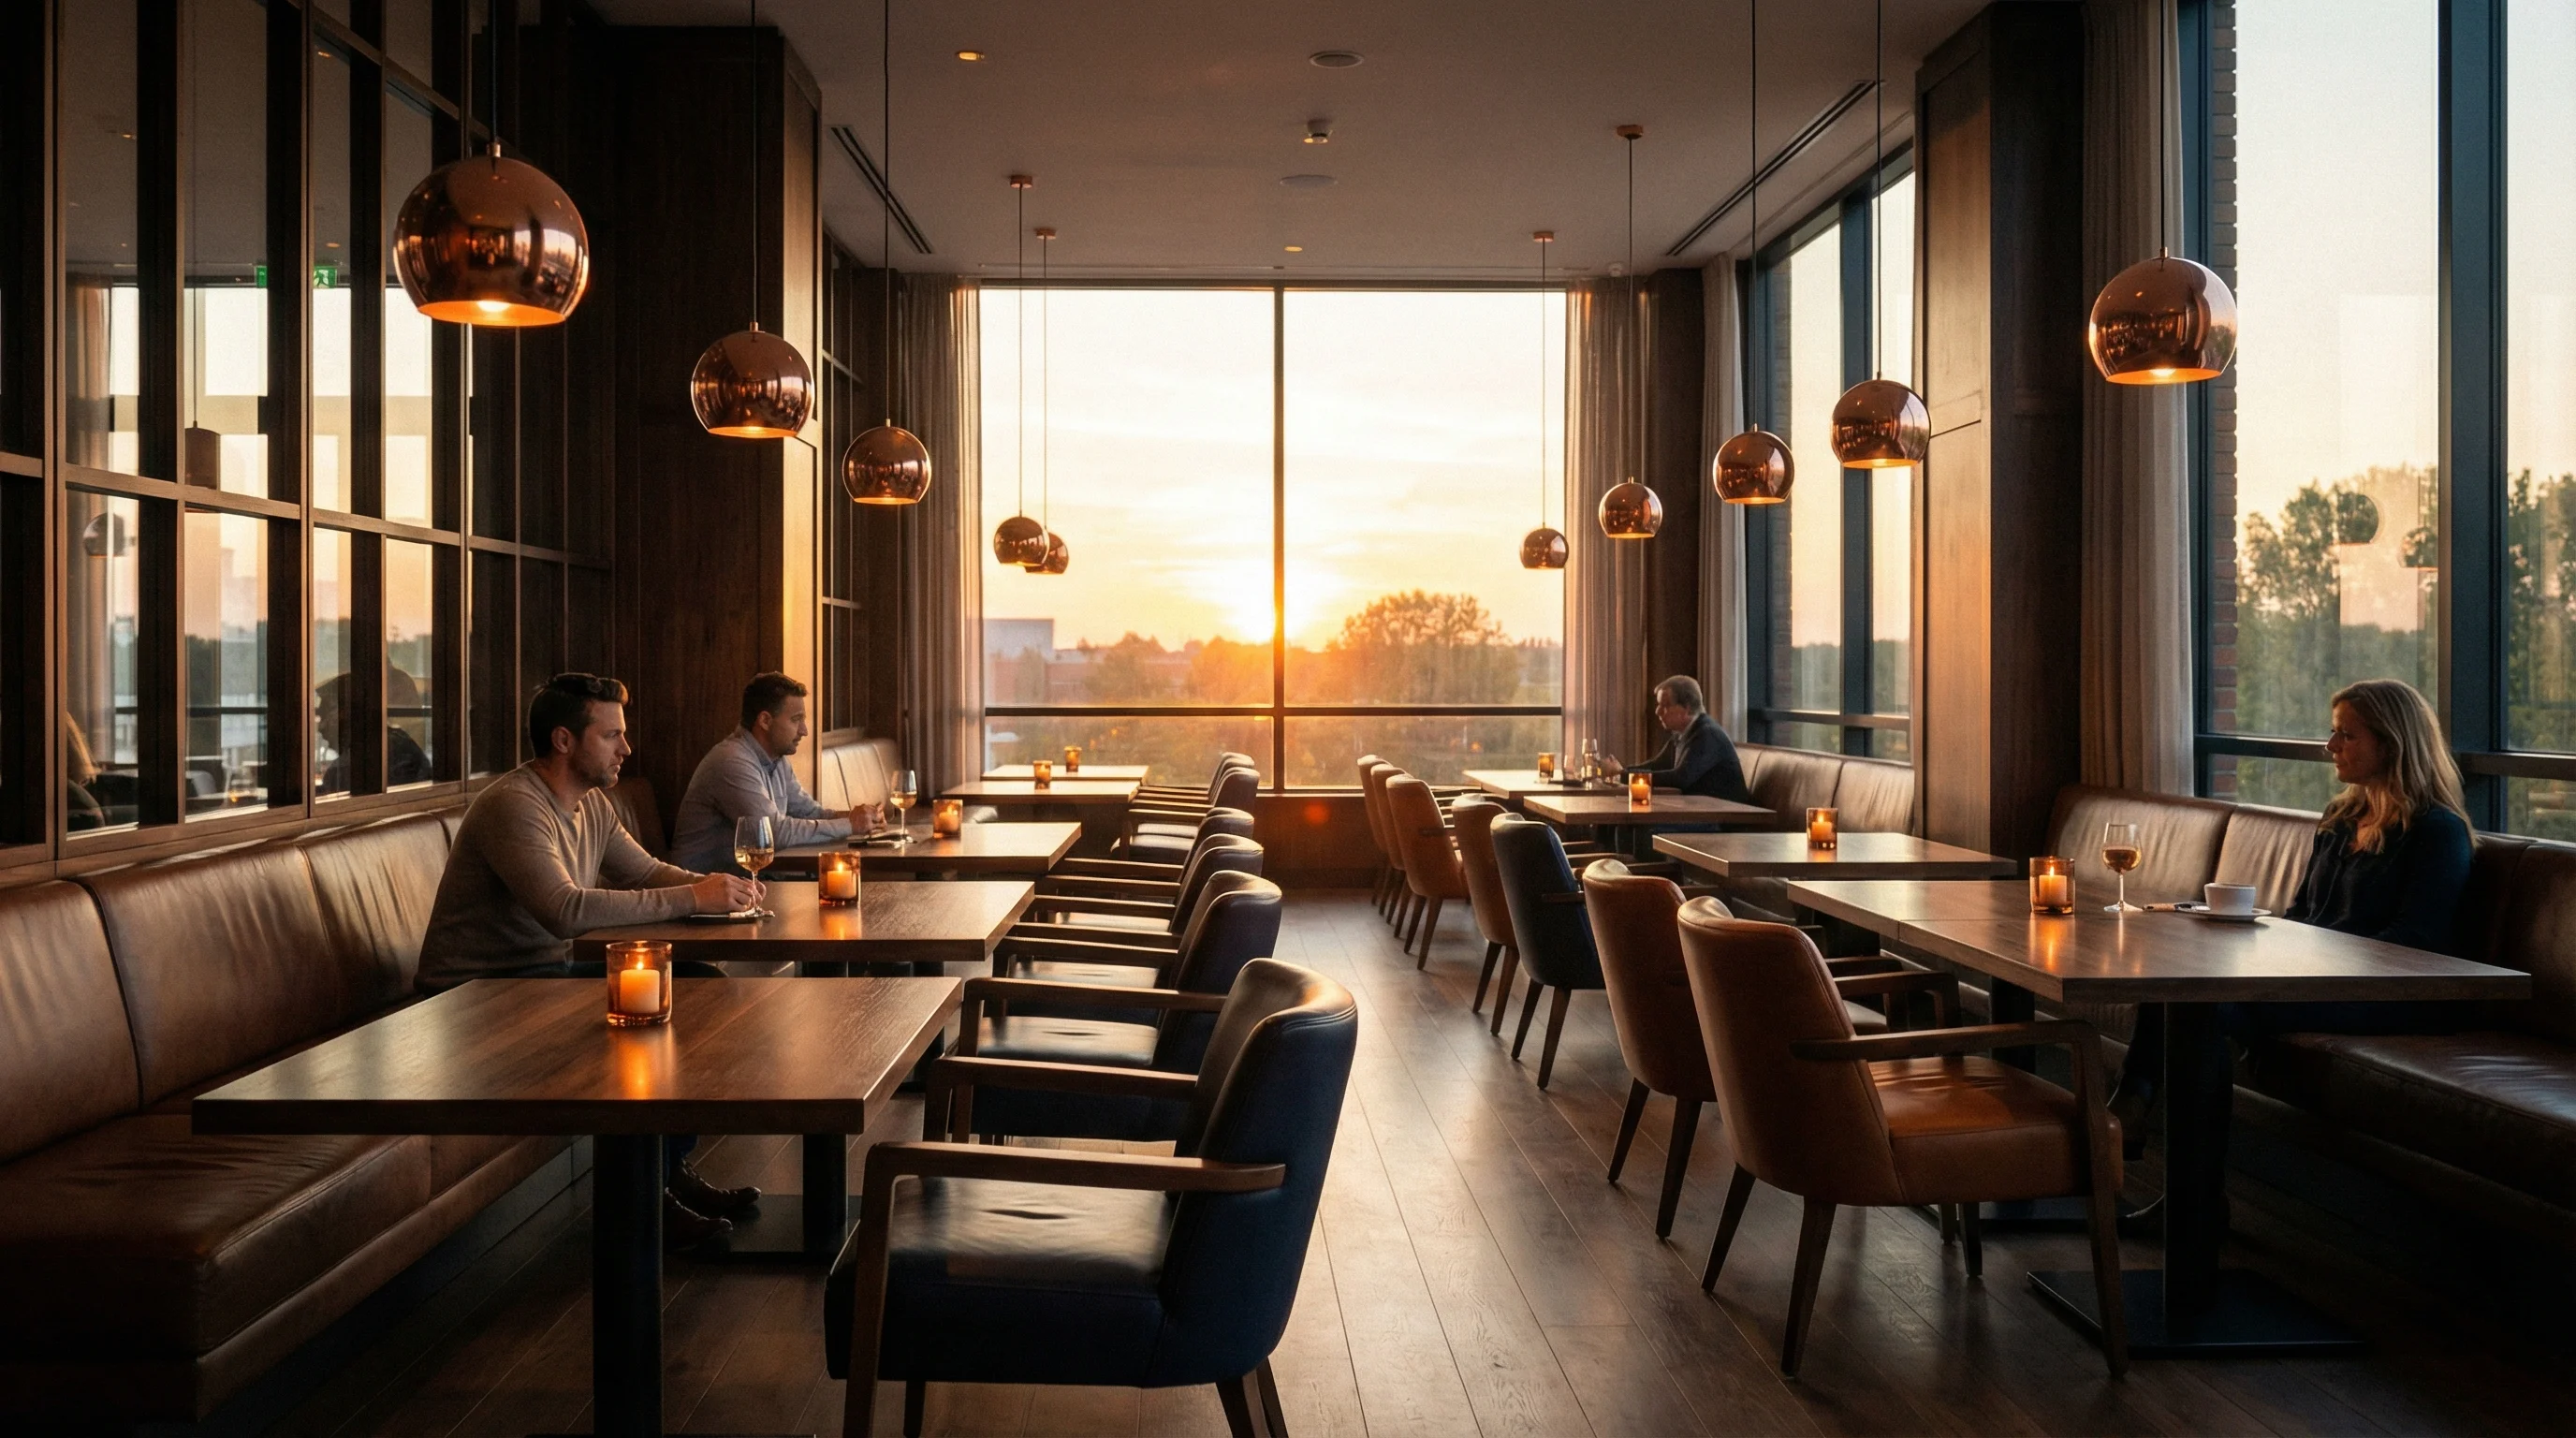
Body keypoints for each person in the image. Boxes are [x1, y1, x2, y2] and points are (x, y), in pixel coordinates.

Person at [416, 672, 767, 1247]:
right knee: (647, 1029)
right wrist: (691, 897)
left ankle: (666, 1172)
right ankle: (645, 1200)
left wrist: (717, 888)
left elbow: (647, 872)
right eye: (612, 736)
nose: (627, 748)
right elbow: (563, 910)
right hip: (475, 999)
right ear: (563, 741)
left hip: (538, 982)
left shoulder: (593, 805)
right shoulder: (515, 806)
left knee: (702, 987)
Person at [2114, 678, 2476, 1148]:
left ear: (2392, 743)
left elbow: (2414, 942)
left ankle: (2141, 1137)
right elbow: (2304, 911)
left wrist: (2304, 967)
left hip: (2396, 995)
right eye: (2334, 732)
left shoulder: (2437, 832)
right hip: (2322, 978)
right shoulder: (2340, 819)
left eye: (2347, 735)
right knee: (2174, 984)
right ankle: (2136, 1114)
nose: (2331, 746)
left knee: (2200, 1010)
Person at [670, 671, 880, 873]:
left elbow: (810, 813)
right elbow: (772, 833)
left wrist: (861, 818)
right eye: (796, 720)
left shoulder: (776, 758)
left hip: (746, 885)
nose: (804, 731)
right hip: (703, 892)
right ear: (765, 721)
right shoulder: (731, 761)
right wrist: (850, 825)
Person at [1617, 675, 1753, 803]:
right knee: (1626, 821)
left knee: (1640, 825)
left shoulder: (1707, 734)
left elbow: (1680, 779)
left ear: (1686, 708)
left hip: (1723, 818)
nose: (1657, 711)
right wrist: (1622, 772)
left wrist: (1623, 774)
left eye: (1665, 706)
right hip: (1698, 810)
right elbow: (1656, 765)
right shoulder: (1681, 733)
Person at [315, 672, 432, 795]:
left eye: (324, 714)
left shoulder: (353, 766)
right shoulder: (395, 744)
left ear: (346, 713)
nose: (320, 728)